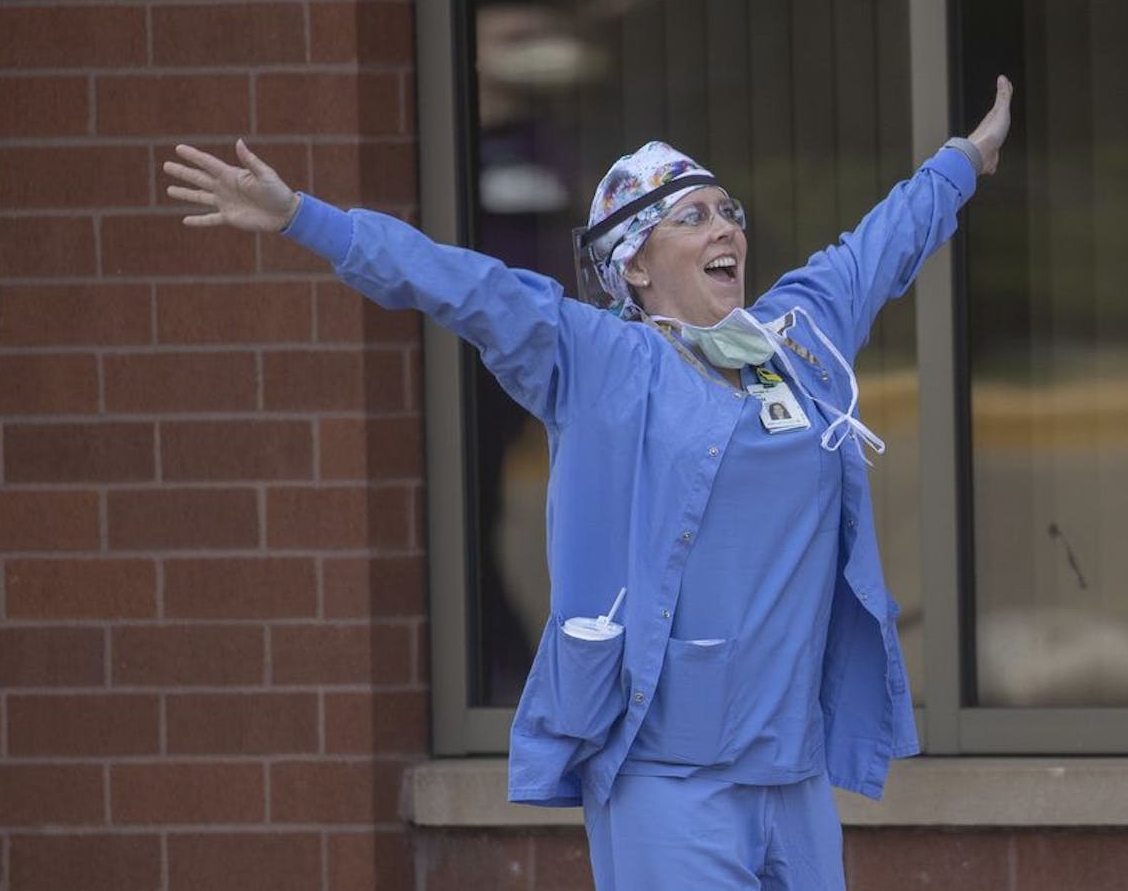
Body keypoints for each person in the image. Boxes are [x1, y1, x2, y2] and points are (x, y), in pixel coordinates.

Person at [164, 75, 1013, 891]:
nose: (725, 229)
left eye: (729, 211)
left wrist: (962, 161)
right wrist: (302, 219)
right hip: (669, 778)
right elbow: (461, 284)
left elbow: (881, 244)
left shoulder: (797, 340)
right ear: (635, 266)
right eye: (693, 216)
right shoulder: (597, 359)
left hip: (791, 774)